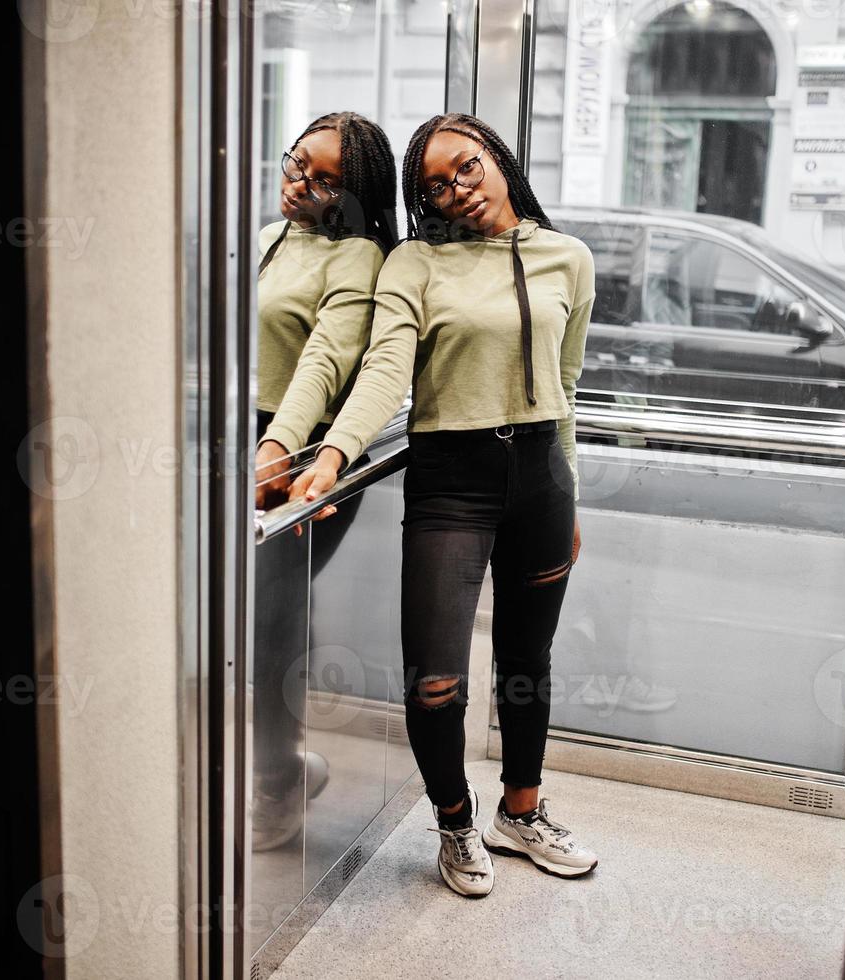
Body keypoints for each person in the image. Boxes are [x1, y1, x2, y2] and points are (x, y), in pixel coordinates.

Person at [285, 112, 599, 896]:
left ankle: (519, 814)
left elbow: (567, 390)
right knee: (436, 681)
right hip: (449, 484)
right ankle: (454, 825)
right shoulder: (413, 265)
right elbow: (384, 370)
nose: (455, 190)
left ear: (496, 158)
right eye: (433, 185)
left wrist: (570, 491)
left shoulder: (566, 258)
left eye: (465, 167)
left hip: (539, 481)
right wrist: (330, 456)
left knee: (527, 663)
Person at [249, 111, 397, 851]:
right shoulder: (280, 236)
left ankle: (276, 781)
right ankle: (279, 764)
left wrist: (278, 447)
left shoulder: (360, 257)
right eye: (296, 162)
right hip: (253, 439)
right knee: (258, 611)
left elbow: (326, 359)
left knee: (269, 617)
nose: (297, 182)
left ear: (355, 192)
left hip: (307, 456)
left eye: (322, 179)